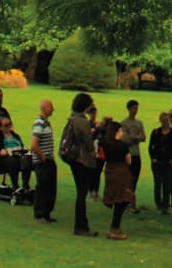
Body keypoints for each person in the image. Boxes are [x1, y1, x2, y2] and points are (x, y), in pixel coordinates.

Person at [67, 92, 99, 236]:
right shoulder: (82, 121)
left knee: (80, 193)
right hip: (81, 160)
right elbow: (88, 143)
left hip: (73, 159)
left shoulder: (72, 119)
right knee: (82, 193)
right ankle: (80, 226)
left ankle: (81, 225)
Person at [103, 121, 135, 240]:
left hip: (110, 172)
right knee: (122, 200)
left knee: (115, 199)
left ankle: (115, 227)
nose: (122, 133)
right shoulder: (123, 145)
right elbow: (129, 161)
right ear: (117, 132)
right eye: (121, 130)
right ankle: (115, 228)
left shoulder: (105, 144)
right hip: (121, 173)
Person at [30, 99, 57, 223]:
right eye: (51, 107)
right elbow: (34, 144)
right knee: (42, 187)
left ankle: (46, 213)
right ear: (45, 108)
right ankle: (40, 214)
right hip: (43, 161)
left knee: (50, 188)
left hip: (48, 160)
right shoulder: (39, 123)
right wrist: (43, 157)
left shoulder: (46, 123)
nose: (53, 110)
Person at [120, 99, 146, 211]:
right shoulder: (124, 123)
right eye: (134, 108)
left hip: (137, 154)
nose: (135, 110)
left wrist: (133, 137)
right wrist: (136, 137)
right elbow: (125, 139)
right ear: (129, 109)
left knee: (135, 179)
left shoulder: (139, 123)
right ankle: (126, 203)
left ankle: (131, 202)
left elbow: (143, 137)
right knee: (128, 179)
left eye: (137, 108)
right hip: (128, 155)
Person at [149, 111, 172, 213]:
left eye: (167, 120)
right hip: (157, 162)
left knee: (167, 185)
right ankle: (159, 205)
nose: (165, 122)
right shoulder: (155, 133)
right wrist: (153, 158)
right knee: (157, 184)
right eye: (163, 120)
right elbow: (151, 147)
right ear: (160, 120)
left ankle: (166, 205)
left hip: (168, 163)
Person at [1, 118, 33, 193]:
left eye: (9, 125)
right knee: (13, 161)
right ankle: (15, 185)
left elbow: (21, 145)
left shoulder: (15, 136)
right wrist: (10, 150)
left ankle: (25, 185)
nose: (8, 127)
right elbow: (0, 150)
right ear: (1, 127)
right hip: (8, 155)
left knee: (26, 160)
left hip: (18, 153)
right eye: (6, 125)